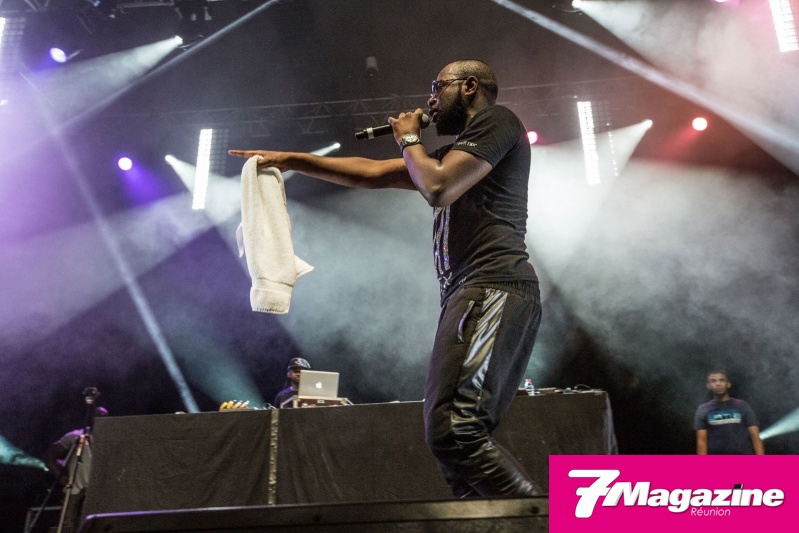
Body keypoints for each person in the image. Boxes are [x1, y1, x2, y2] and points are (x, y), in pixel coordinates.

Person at [230, 59, 542, 497]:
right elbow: (374, 173)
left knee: (455, 431)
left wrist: (409, 138)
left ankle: (546, 520)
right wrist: (290, 160)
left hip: (493, 284)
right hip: (475, 291)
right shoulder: (454, 156)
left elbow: (437, 188)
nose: (430, 100)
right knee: (454, 447)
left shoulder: (498, 121)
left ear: (470, 86)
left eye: (437, 87)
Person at [42, 406, 108, 531]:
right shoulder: (76, 436)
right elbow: (49, 454)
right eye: (97, 415)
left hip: (99, 490)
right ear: (90, 418)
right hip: (74, 488)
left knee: (98, 526)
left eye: (104, 416)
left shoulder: (111, 438)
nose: (101, 419)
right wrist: (59, 475)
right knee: (67, 526)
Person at [694, 370, 765, 455]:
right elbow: (701, 441)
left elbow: (755, 436)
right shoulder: (703, 409)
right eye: (713, 381)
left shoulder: (742, 405)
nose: (718, 384)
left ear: (728, 384)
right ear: (708, 386)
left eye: (722, 380)